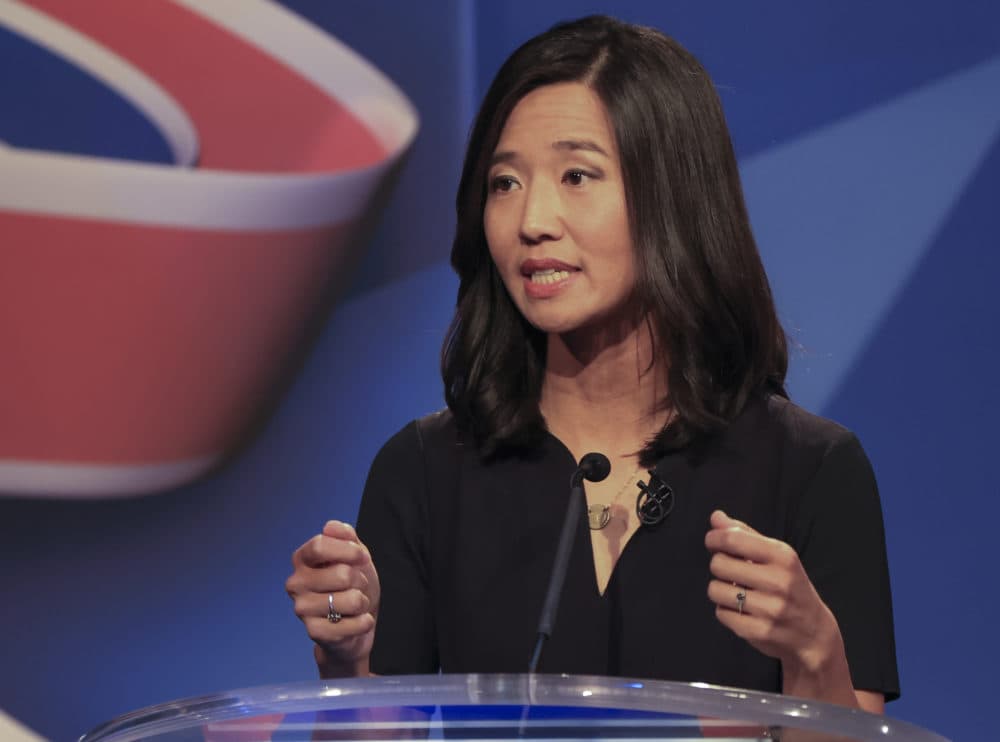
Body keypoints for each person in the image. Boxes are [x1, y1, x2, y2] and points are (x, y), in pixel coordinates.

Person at [285, 15, 899, 713]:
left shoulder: (809, 470)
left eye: (577, 175)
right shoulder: (426, 472)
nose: (532, 220)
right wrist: (349, 662)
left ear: (673, 196)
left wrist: (814, 650)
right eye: (505, 182)